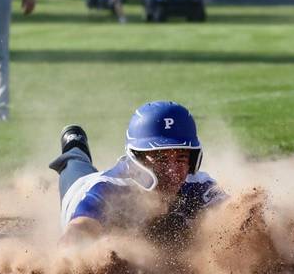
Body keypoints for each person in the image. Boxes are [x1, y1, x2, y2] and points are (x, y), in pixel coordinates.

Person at [48, 101, 225, 246]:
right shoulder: (108, 188)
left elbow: (234, 216)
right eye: (161, 159)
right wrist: (73, 248)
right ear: (137, 158)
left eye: (181, 157)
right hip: (80, 186)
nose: (172, 169)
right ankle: (75, 145)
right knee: (74, 165)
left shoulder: (198, 185)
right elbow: (81, 228)